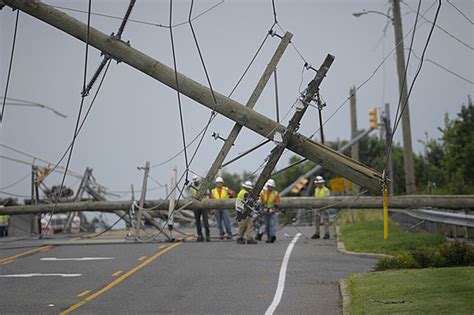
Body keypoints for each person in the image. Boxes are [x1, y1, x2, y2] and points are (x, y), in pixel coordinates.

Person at [257, 179, 280, 243]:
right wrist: (264, 208)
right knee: (266, 224)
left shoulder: (275, 193)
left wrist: (274, 209)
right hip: (265, 211)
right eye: (270, 186)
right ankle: (267, 236)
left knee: (271, 224)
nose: (271, 188)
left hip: (272, 211)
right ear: (268, 186)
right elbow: (261, 202)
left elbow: (277, 202)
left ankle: (271, 236)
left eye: (272, 186)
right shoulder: (263, 193)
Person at [190, 175, 210, 242]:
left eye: (196, 180)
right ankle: (200, 235)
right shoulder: (192, 188)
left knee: (205, 221)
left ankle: (207, 235)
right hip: (196, 206)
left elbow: (207, 195)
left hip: (204, 205)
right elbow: (191, 197)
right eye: (194, 181)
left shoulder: (204, 187)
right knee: (197, 221)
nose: (195, 182)